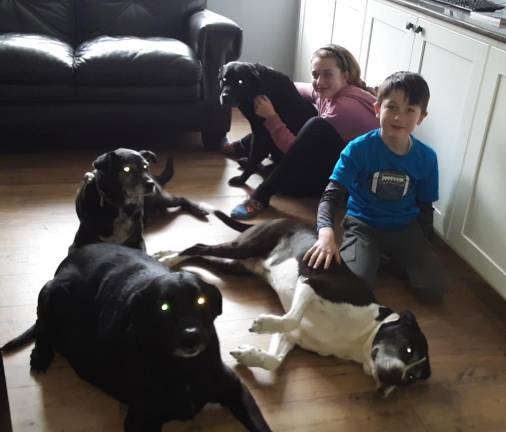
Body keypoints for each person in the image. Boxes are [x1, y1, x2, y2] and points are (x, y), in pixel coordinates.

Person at [303, 71, 446, 303]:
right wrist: (326, 233)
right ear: (377, 108)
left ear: (421, 116)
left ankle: (382, 259)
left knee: (433, 290)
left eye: (410, 110)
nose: (399, 117)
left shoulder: (427, 158)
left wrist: (424, 246)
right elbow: (331, 196)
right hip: (364, 225)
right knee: (354, 287)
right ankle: (373, 257)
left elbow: (425, 207)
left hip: (405, 228)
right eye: (392, 108)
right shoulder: (358, 149)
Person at [227, 44, 379, 219]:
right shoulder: (334, 91)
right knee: (298, 107)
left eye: (328, 74)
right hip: (344, 164)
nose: (319, 82)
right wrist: (270, 82)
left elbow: (295, 149)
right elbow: (294, 87)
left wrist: (271, 116)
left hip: (354, 186)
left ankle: (261, 195)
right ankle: (248, 148)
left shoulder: (344, 108)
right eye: (315, 75)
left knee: (314, 126)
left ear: (345, 76)